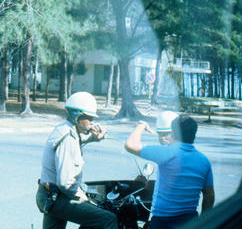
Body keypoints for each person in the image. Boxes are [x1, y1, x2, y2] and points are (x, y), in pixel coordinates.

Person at [36, 92, 118, 229]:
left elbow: (80, 140)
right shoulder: (68, 138)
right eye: (90, 118)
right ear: (78, 117)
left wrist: (95, 137)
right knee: (108, 219)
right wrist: (85, 199)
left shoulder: (66, 128)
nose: (92, 123)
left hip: (50, 195)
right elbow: (66, 183)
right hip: (57, 197)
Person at [125, 111, 215, 229]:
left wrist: (141, 125)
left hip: (163, 222)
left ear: (173, 132)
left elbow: (130, 145)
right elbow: (209, 195)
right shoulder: (204, 161)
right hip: (190, 220)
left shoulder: (166, 152)